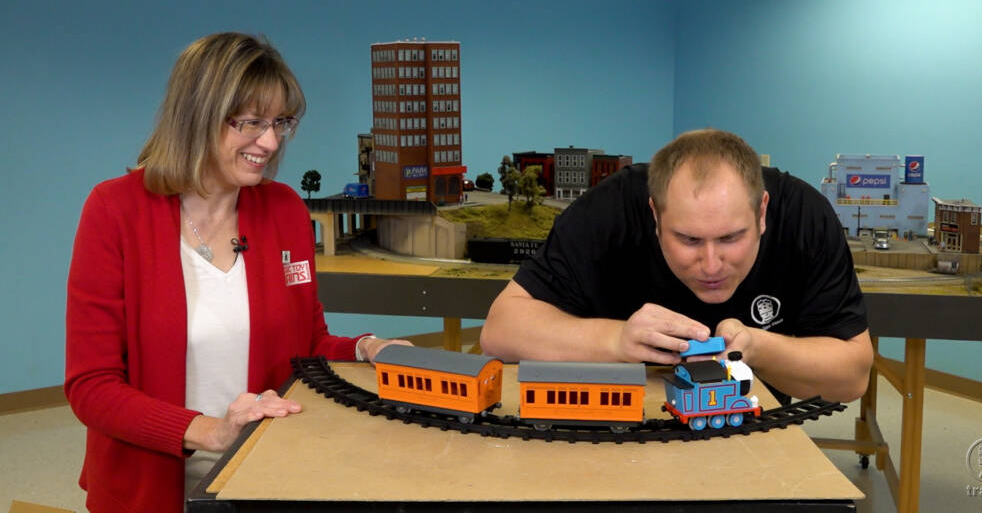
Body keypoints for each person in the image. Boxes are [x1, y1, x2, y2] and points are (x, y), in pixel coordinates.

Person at [64, 32, 410, 512]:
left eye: (280, 123)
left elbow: (304, 349)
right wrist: (211, 431)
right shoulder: (114, 210)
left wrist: (366, 348)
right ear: (197, 116)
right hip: (147, 491)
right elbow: (92, 387)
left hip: (261, 477)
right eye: (250, 122)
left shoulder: (285, 210)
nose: (268, 142)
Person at [480, 128, 872, 403]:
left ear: (763, 212)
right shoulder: (606, 212)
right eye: (688, 240)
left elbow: (853, 375)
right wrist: (618, 341)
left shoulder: (805, 217)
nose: (712, 264)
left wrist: (758, 348)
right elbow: (500, 331)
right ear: (654, 214)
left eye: (731, 238)